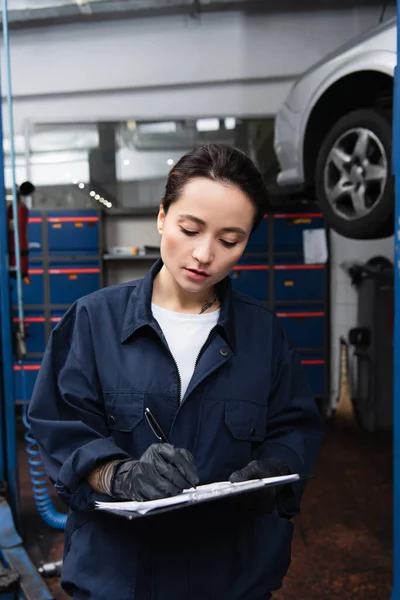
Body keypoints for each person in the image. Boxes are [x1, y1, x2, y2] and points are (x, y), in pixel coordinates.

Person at [28, 144, 324, 600]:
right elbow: (61, 427)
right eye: (190, 229)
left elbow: (294, 427)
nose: (204, 254)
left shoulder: (264, 335)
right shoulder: (91, 321)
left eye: (230, 241)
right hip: (119, 576)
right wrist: (116, 474)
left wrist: (275, 466)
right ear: (163, 217)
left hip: (231, 576)